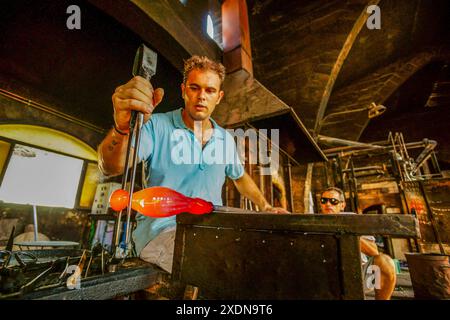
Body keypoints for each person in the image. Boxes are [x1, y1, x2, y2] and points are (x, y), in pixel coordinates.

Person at [98, 55, 289, 273]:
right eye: (194, 88)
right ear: (183, 90)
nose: (201, 97)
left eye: (210, 90)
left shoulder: (225, 139)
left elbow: (240, 177)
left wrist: (265, 207)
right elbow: (112, 166)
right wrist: (122, 128)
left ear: (219, 97)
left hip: (211, 230)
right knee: (221, 269)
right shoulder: (157, 125)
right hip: (161, 232)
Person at [319, 187, 397, 300]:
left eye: (333, 201)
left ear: (342, 205)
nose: (328, 204)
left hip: (358, 275)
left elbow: (374, 252)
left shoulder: (354, 220)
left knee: (385, 262)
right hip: (326, 276)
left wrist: (343, 229)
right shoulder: (314, 221)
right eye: (324, 200)